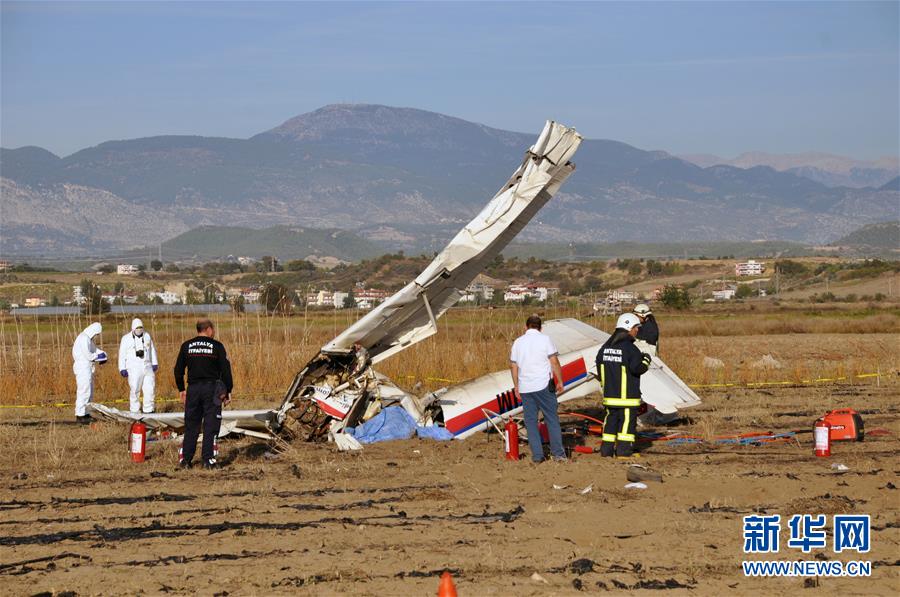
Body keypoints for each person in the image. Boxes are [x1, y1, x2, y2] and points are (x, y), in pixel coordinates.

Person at [174, 318, 233, 469]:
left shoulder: (186, 346)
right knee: (211, 425)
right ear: (208, 329)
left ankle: (185, 460)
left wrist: (181, 389)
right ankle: (208, 460)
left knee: (191, 425)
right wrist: (228, 390)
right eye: (212, 329)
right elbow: (226, 370)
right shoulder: (216, 346)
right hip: (212, 390)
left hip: (193, 389)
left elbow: (178, 370)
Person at [510, 315, 566, 463]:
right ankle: (558, 455)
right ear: (540, 328)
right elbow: (554, 362)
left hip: (526, 388)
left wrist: (516, 386)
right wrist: (560, 381)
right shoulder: (545, 339)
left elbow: (514, 366)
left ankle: (537, 456)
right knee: (551, 419)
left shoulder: (518, 342)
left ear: (526, 327)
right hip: (544, 386)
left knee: (530, 422)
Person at [596, 313, 652, 457]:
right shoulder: (630, 349)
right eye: (635, 327)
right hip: (627, 398)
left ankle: (606, 451)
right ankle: (624, 452)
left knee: (610, 423)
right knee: (627, 425)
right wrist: (646, 360)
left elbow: (600, 370)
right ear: (628, 328)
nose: (637, 330)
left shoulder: (604, 349)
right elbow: (637, 368)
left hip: (610, 396)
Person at [118, 318, 159, 414]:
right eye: (137, 328)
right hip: (133, 368)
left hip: (147, 366)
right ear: (133, 328)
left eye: (141, 327)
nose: (139, 329)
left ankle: (148, 409)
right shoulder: (126, 338)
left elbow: (152, 349)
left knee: (150, 388)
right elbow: (122, 354)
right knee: (135, 389)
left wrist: (154, 362)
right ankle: (135, 411)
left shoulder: (147, 336)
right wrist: (122, 368)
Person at [72, 322, 108, 424]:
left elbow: (95, 350)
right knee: (84, 391)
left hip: (87, 368)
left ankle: (86, 412)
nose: (96, 336)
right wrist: (97, 357)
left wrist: (103, 354)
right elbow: (88, 355)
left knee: (89, 392)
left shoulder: (88, 339)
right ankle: (80, 415)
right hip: (82, 368)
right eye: (97, 334)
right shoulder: (83, 338)